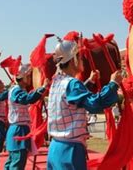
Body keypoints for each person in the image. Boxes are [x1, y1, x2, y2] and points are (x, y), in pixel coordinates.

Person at [46, 38, 123, 170]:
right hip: (70, 150)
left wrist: (89, 81)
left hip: (55, 147)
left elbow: (73, 98)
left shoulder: (57, 82)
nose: (82, 61)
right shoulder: (72, 83)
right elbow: (94, 104)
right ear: (72, 60)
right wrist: (113, 84)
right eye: (79, 57)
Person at [4, 62, 49, 170]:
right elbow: (27, 99)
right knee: (17, 162)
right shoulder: (16, 91)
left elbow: (28, 99)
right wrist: (42, 88)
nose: (30, 78)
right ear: (22, 77)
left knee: (15, 161)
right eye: (28, 76)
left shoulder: (19, 90)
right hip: (18, 130)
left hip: (20, 128)